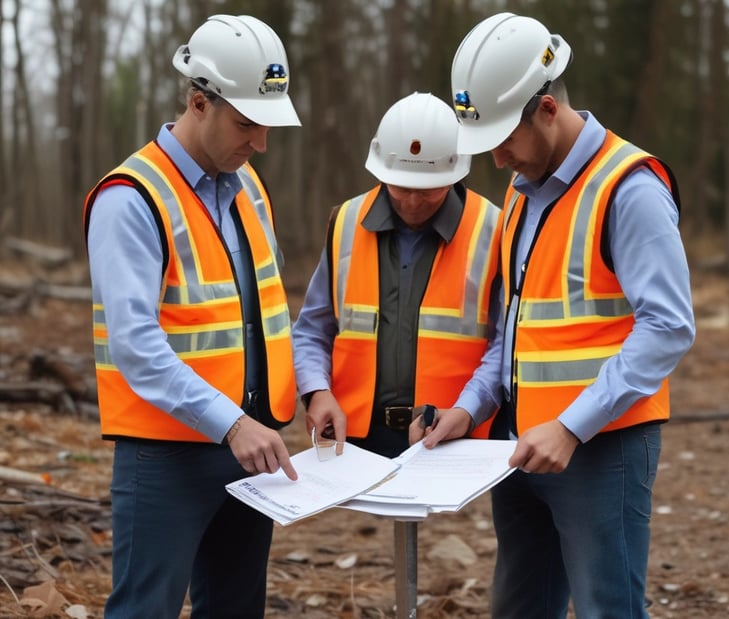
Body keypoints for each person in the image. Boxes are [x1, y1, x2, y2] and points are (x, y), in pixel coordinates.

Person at [413, 13, 697, 618]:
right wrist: (471, 408)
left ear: (546, 109)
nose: (497, 159)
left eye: (503, 140)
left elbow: (669, 327)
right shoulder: (523, 192)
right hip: (520, 446)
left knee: (607, 608)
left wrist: (571, 427)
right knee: (520, 606)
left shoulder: (629, 190)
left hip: (601, 450)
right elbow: (515, 327)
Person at [83, 14, 301, 619]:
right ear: (199, 102)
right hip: (167, 454)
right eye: (247, 124)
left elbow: (264, 313)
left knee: (235, 608)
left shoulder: (248, 186)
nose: (260, 143)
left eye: (267, 125)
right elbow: (135, 345)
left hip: (251, 442)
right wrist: (231, 425)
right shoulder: (131, 199)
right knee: (145, 609)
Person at [292, 92, 503, 458]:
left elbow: (505, 344)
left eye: (428, 191)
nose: (414, 202)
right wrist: (316, 390)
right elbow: (312, 329)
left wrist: (468, 409)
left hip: (456, 439)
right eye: (403, 189)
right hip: (356, 440)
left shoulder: (493, 229)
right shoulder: (345, 223)